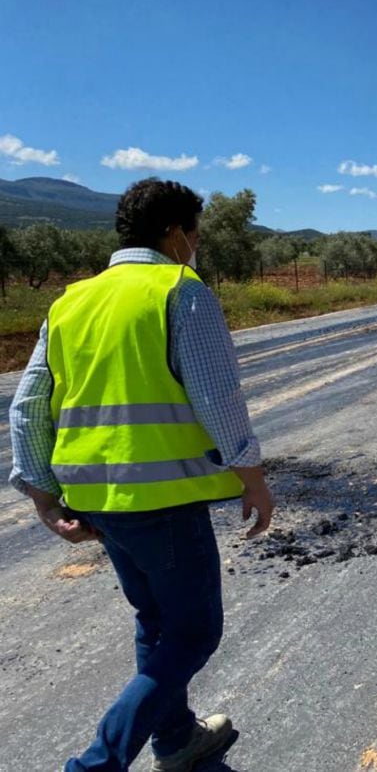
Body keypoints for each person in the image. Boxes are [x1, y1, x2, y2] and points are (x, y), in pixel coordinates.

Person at [8, 178, 275, 770]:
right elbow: (216, 394)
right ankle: (96, 764)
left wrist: (42, 497)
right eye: (196, 233)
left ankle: (177, 738)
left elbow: (27, 406)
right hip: (162, 498)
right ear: (178, 233)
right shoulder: (181, 288)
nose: (196, 244)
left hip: (96, 499)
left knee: (156, 621)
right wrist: (251, 474)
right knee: (194, 633)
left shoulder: (70, 301)